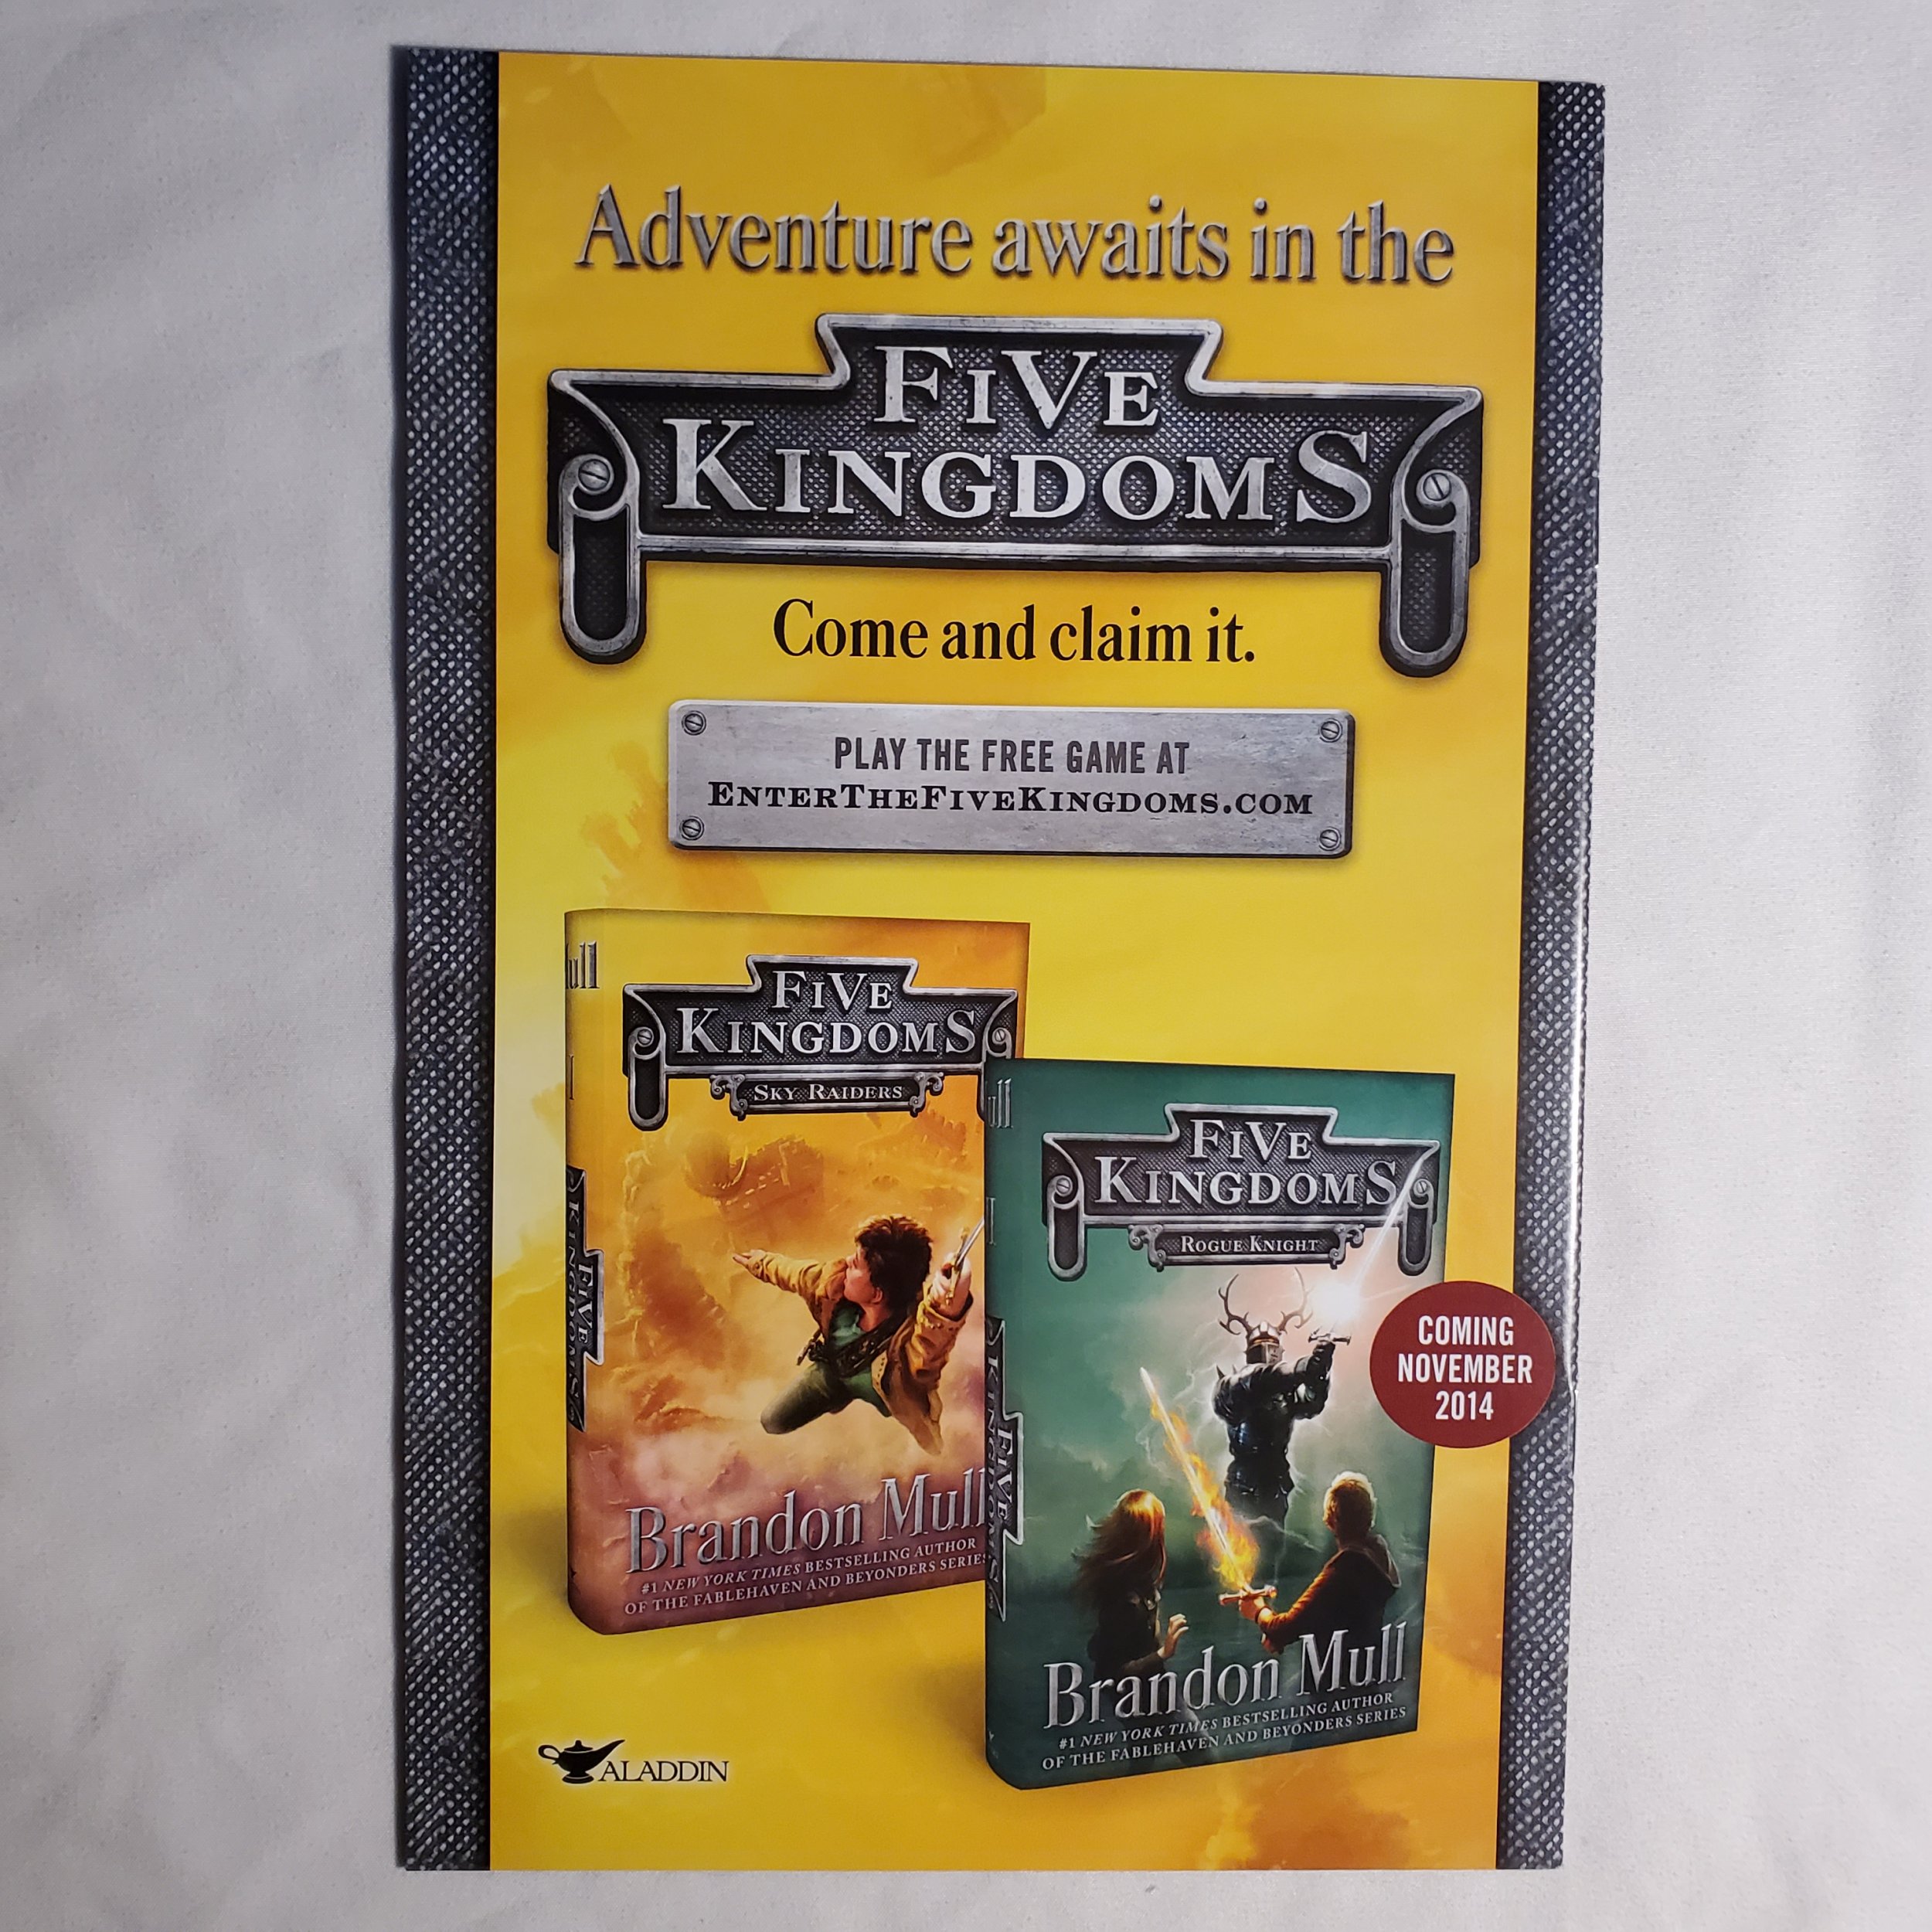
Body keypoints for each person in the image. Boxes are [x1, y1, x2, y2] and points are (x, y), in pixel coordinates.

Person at [734, 1216, 971, 1453]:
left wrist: (948, 1302)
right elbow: (797, 1274)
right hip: (835, 1372)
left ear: (877, 1294)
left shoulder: (908, 1349)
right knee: (773, 1420)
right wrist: (760, 1262)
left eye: (856, 1264)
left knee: (912, 1457)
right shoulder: (835, 1284)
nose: (847, 1262)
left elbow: (931, 1340)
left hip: (891, 1405)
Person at [1230, 1471, 1398, 1652]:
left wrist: (1258, 1611)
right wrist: (1275, 1633)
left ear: (1331, 1519)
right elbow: (1333, 1615)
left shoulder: (1347, 1567)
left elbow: (1285, 1629)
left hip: (1337, 1668)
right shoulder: (1377, 1558)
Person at [1073, 1490, 1188, 1680]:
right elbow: (1112, 1674)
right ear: (1148, 1537)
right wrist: (1164, 1653)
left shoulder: (1139, 1584)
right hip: (1136, 1695)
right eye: (1160, 1527)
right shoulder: (1126, 1600)